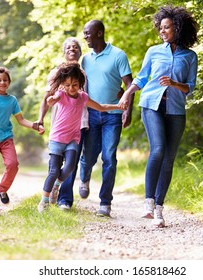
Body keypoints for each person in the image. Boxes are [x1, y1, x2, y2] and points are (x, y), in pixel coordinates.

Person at [119, 6, 199, 227]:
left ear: (178, 28)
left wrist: (174, 83)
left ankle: (159, 210)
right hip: (151, 105)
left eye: (167, 27)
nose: (162, 31)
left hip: (175, 110)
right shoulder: (153, 51)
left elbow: (190, 87)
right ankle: (148, 202)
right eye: (160, 28)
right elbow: (142, 78)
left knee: (169, 158)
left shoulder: (190, 56)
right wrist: (127, 93)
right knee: (158, 149)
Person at [37, 61, 122, 213]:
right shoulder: (61, 94)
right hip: (57, 138)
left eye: (74, 85)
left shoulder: (83, 97)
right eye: (68, 84)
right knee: (54, 170)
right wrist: (51, 100)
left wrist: (118, 106)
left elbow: (101, 107)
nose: (71, 88)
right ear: (63, 84)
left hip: (72, 139)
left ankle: (57, 185)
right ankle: (44, 201)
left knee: (69, 166)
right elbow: (52, 100)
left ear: (80, 84)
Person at [79, 20, 134, 218]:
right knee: (89, 156)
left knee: (109, 157)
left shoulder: (118, 55)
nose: (85, 37)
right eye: (84, 33)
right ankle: (83, 178)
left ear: (99, 33)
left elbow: (129, 85)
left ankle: (105, 203)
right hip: (92, 114)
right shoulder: (84, 59)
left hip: (113, 114)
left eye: (88, 33)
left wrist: (128, 110)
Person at [0, 67, 44, 213]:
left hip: (5, 137)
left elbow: (21, 120)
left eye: (5, 80)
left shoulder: (12, 100)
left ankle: (2, 189)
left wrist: (35, 126)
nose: (2, 82)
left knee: (13, 164)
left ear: (9, 82)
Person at [36, 37, 86, 211]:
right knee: (55, 168)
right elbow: (48, 99)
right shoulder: (55, 73)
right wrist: (40, 119)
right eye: (68, 47)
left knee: (72, 164)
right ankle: (50, 198)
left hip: (80, 125)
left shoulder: (84, 73)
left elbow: (90, 100)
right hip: (60, 127)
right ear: (63, 52)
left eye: (75, 47)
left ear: (80, 52)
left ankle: (64, 199)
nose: (72, 50)